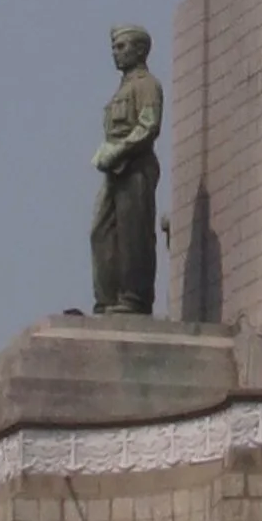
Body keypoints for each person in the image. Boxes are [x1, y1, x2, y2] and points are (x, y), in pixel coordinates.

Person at [91, 24, 164, 315]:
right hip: (115, 169)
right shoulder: (122, 88)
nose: (116, 53)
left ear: (140, 50)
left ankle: (134, 298)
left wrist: (119, 150)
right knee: (101, 232)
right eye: (114, 48)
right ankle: (107, 298)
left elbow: (148, 126)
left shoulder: (147, 85)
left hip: (135, 166)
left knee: (134, 234)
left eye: (122, 47)